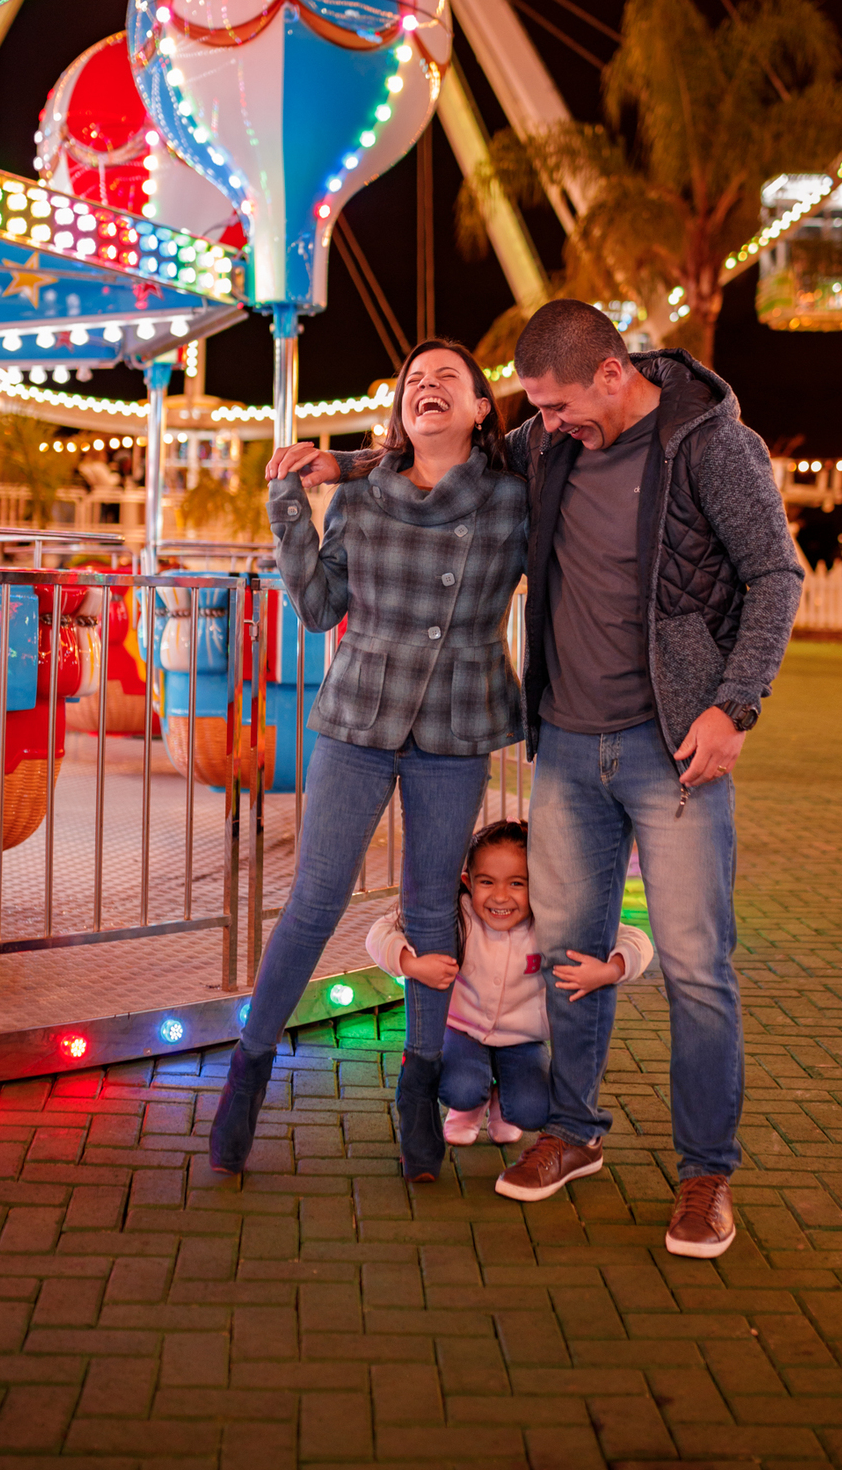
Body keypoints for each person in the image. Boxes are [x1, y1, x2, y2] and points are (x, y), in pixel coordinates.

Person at [293, 298, 803, 1256]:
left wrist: (734, 705)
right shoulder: (553, 442)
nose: (549, 426)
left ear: (612, 373)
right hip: (566, 742)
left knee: (696, 965)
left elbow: (776, 576)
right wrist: (337, 465)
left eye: (561, 407)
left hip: (676, 745)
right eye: (538, 411)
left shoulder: (712, 446)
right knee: (571, 949)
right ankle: (572, 1132)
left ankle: (705, 1176)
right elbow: (450, 450)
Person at [207, 339, 527, 1183]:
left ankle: (419, 1088)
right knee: (313, 901)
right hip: (357, 716)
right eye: (414, 381)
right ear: (399, 409)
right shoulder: (366, 494)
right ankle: (248, 1071)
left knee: (431, 909)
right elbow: (316, 609)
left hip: (456, 722)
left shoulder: (509, 500)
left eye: (445, 380)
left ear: (481, 407)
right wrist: (287, 500)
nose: (426, 388)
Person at [366, 816, 652, 1150]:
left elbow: (635, 938)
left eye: (517, 883)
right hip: (462, 1030)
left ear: (539, 884)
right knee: (460, 1087)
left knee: (533, 1110)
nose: (501, 897)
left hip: (523, 1040)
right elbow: (380, 932)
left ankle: (502, 1096)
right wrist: (410, 965)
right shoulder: (457, 914)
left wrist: (610, 971)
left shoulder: (554, 918)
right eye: (487, 882)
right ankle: (469, 1107)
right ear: (467, 881)